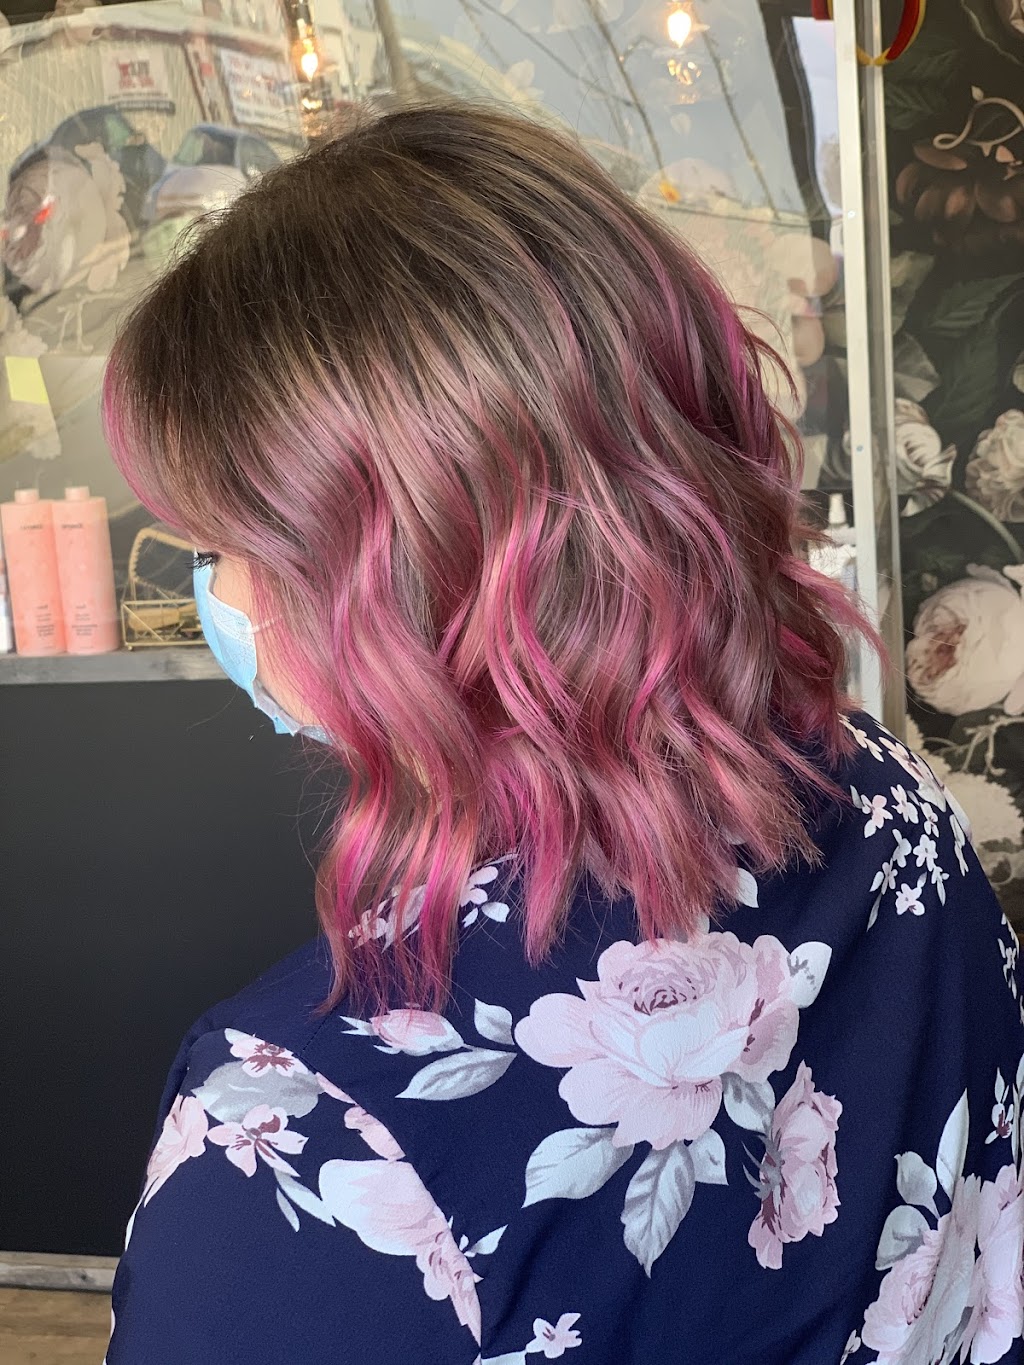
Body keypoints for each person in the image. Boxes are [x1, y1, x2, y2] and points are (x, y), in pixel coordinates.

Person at [101, 104, 1024, 1365]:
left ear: (389, 580)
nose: (214, 595)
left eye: (220, 546)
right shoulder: (896, 807)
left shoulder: (306, 1148)